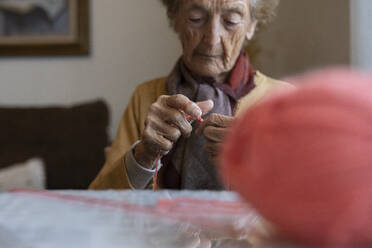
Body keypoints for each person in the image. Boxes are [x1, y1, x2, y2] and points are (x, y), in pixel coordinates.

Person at [90, 0, 290, 190]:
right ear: (174, 18)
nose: (212, 39)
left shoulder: (286, 100)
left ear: (251, 26)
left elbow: (312, 207)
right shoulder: (146, 96)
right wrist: (143, 156)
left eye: (230, 22)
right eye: (196, 18)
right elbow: (97, 204)